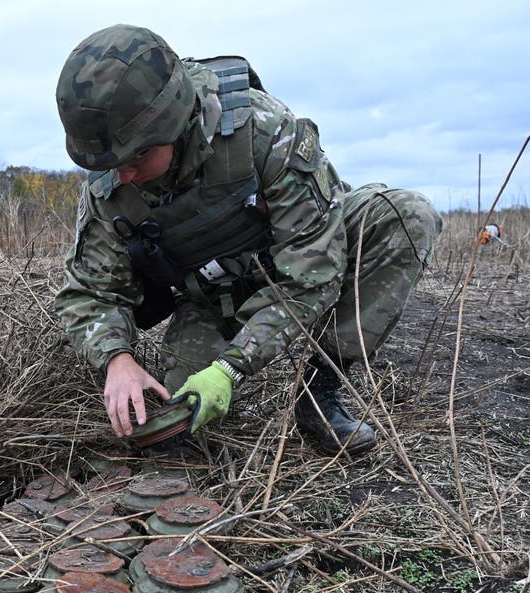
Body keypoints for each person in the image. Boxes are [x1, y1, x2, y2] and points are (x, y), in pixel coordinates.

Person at [52, 24, 443, 454]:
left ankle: (321, 389)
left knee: (405, 216)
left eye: (136, 156)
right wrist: (116, 359)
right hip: (213, 297)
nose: (122, 174)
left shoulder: (262, 130)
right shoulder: (112, 187)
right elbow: (89, 293)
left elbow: (315, 270)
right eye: (109, 162)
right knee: (182, 421)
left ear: (175, 121)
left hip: (295, 265)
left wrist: (232, 367)